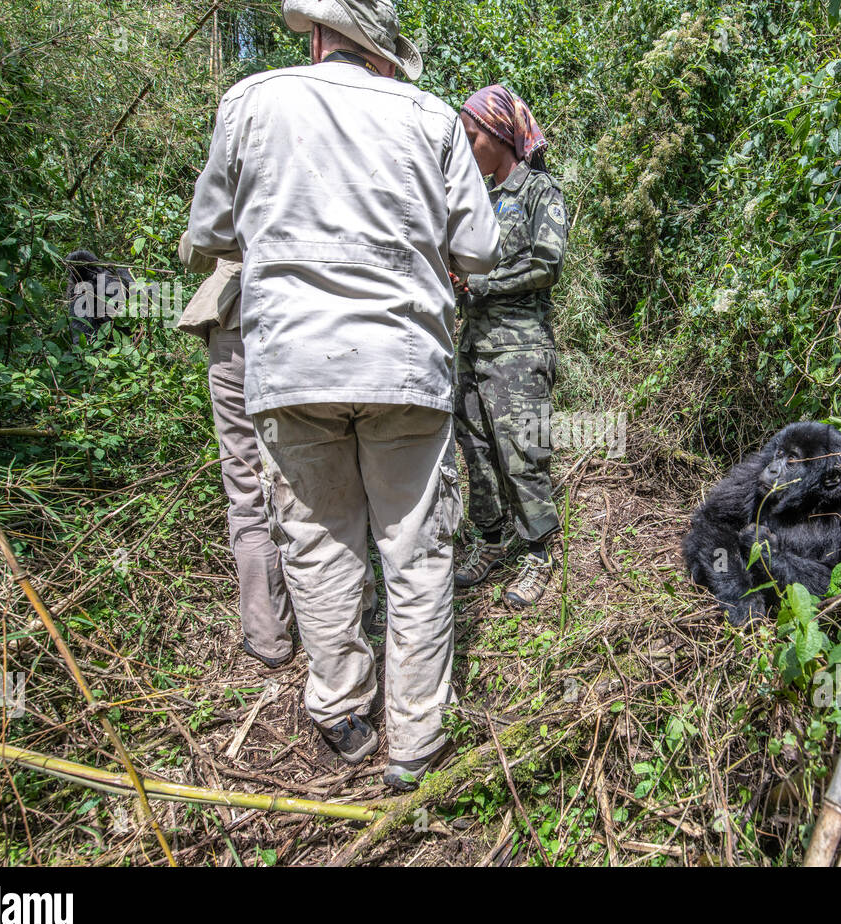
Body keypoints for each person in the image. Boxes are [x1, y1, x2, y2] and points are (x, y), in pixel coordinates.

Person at [186, 0, 500, 790]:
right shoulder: (429, 117)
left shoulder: (251, 102)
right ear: (381, 50)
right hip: (404, 365)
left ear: (321, 35)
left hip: (291, 365)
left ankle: (342, 713)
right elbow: (481, 250)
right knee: (416, 551)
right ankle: (416, 740)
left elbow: (209, 234)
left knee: (319, 545)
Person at [174, 233, 382, 667]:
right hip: (306, 323)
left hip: (237, 328)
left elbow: (194, 251)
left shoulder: (232, 164)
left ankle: (268, 635)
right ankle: (355, 608)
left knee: (248, 486)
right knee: (334, 475)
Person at [452, 85, 569, 608]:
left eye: (472, 136)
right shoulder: (478, 197)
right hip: (473, 345)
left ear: (500, 134)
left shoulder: (540, 190)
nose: (467, 146)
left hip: (519, 349)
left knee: (523, 451)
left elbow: (547, 265)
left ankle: (540, 552)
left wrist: (481, 285)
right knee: (476, 449)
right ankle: (495, 540)